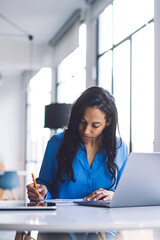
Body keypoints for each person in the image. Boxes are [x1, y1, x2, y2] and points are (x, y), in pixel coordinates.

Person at [27, 86, 128, 203]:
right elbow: (45, 185)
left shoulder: (120, 147)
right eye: (82, 122)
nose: (86, 130)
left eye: (95, 125)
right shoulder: (56, 143)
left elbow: (125, 192)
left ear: (108, 122)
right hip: (63, 219)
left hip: (106, 220)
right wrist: (41, 192)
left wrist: (113, 195)